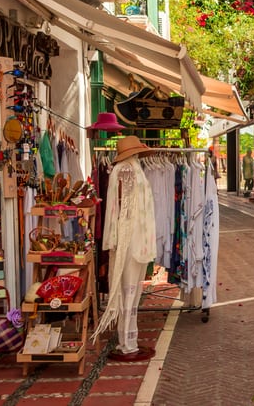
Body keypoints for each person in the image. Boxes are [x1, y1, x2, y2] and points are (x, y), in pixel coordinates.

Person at [93, 135, 156, 360]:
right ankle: (127, 342)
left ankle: (129, 339)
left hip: (134, 238)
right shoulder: (126, 171)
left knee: (131, 290)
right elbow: (125, 208)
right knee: (128, 290)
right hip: (130, 239)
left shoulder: (129, 169)